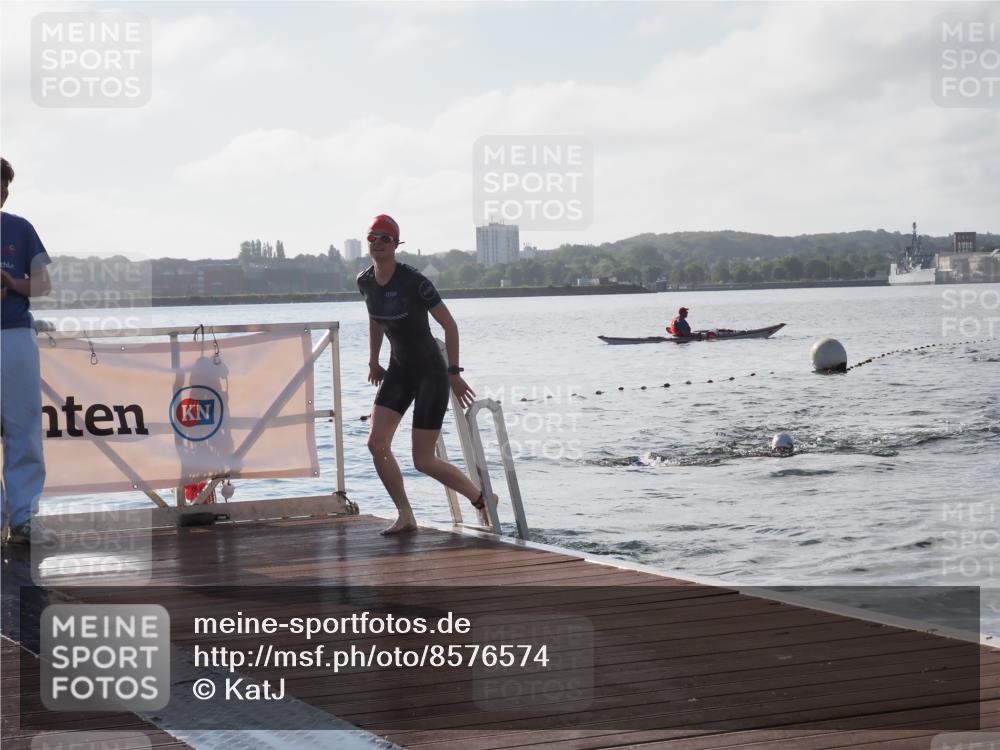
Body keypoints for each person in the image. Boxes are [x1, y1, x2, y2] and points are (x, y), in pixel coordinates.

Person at [358, 214, 493, 535]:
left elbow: (450, 325)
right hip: (398, 369)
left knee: (423, 459)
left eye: (385, 238)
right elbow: (375, 319)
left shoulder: (414, 281)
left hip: (430, 372)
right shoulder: (364, 281)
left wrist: (455, 373)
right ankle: (405, 514)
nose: (378, 243)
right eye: (372, 237)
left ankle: (482, 498)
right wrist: (373, 360)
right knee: (377, 444)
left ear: (396, 244)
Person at [1, 157, 53, 545]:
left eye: (5, 187)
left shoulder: (20, 228)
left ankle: (24, 520)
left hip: (14, 336)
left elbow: (43, 284)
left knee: (24, 428)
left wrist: (13, 284)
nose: (2, 193)